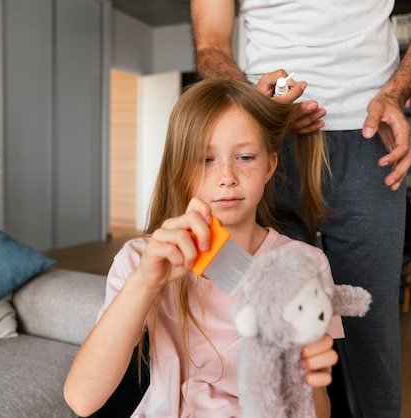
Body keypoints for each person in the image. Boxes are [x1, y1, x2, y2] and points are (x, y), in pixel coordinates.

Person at [190, 1, 411, 416]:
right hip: (270, 136)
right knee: (265, 318)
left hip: (370, 134)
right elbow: (211, 43)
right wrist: (255, 104)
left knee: (370, 330)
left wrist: (396, 90)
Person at [64, 79, 346, 418]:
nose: (226, 176)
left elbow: (319, 409)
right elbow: (82, 400)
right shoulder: (140, 259)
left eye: (244, 157)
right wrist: (145, 282)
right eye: (205, 159)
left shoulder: (306, 265)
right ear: (179, 169)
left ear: (270, 165)